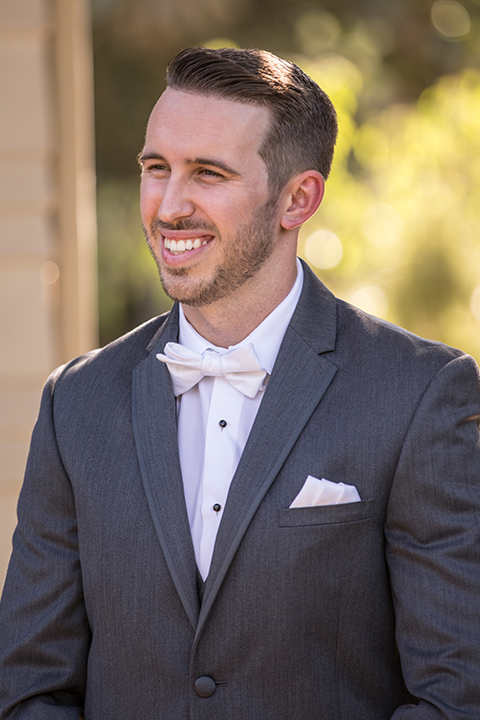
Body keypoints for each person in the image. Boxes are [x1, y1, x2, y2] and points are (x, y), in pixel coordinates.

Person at [0, 46, 479, 720]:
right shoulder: (74, 403)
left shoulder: (421, 394)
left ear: (297, 199)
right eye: (156, 168)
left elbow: (455, 694)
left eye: (208, 174)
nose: (169, 207)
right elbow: (27, 687)